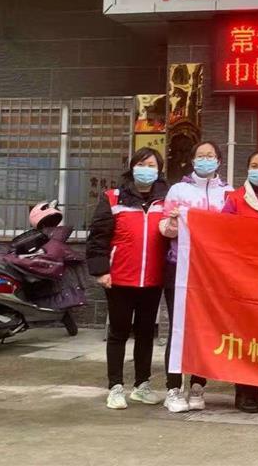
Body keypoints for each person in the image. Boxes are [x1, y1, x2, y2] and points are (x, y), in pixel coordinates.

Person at [86, 147, 169, 410]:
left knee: (145, 334)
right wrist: (101, 270)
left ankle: (142, 385)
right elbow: (98, 237)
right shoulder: (113, 198)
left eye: (152, 165)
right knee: (118, 333)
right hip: (119, 279)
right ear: (132, 167)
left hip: (153, 280)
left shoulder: (166, 199)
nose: (147, 169)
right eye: (142, 164)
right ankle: (115, 387)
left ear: (159, 170)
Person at [159, 141, 233, 413]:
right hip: (179, 266)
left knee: (205, 327)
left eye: (210, 155)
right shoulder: (178, 190)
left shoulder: (228, 193)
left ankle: (198, 385)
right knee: (179, 326)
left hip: (212, 271)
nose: (205, 159)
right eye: (200, 155)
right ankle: (173, 388)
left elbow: (233, 231)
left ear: (219, 160)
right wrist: (174, 222)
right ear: (192, 160)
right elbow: (164, 229)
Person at [222, 150, 258, 413]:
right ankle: (243, 389)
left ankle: (257, 387)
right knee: (245, 333)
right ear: (247, 169)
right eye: (255, 165)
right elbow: (221, 232)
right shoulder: (235, 199)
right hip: (244, 275)